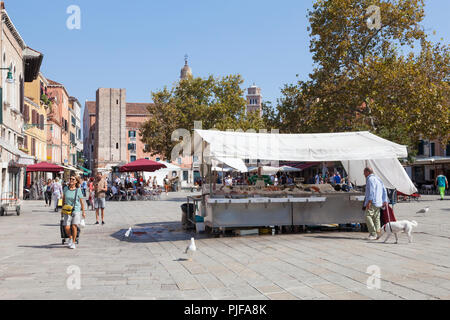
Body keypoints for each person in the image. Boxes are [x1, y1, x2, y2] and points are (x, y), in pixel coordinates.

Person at [363, 167, 389, 240]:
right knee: (376, 218)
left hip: (373, 201)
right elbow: (384, 190)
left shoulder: (370, 179)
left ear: (368, 172)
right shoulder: (378, 178)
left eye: (364, 172)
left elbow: (372, 191)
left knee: (367, 216)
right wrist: (384, 200)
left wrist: (369, 201)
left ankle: (373, 233)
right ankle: (378, 233)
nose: (363, 174)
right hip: (379, 201)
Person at [62, 175, 86, 250]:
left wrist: (83, 212)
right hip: (67, 210)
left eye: (73, 179)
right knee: (66, 226)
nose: (71, 180)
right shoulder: (65, 189)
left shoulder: (78, 190)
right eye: (70, 179)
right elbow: (63, 199)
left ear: (76, 181)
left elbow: (82, 202)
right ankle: (70, 237)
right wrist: (62, 209)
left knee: (74, 226)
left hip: (76, 210)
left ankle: (73, 242)